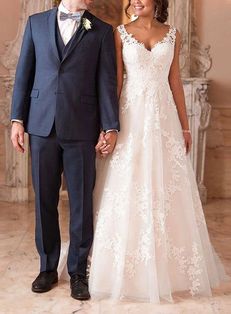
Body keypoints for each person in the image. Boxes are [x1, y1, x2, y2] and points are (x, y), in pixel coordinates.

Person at [89, 0, 227, 303]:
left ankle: (169, 268)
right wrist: (107, 124)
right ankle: (125, 269)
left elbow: (174, 81)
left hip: (163, 117)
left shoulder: (173, 34)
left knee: (168, 187)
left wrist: (185, 125)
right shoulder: (120, 33)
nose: (136, 1)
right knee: (129, 184)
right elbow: (116, 81)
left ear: (157, 1)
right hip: (131, 116)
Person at [10, 0, 119, 300]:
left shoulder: (101, 31)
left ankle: (78, 272)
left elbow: (106, 81)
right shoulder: (36, 24)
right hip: (41, 125)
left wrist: (110, 125)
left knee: (82, 202)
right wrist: (17, 120)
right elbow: (24, 74)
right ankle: (47, 267)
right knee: (44, 199)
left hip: (82, 128)